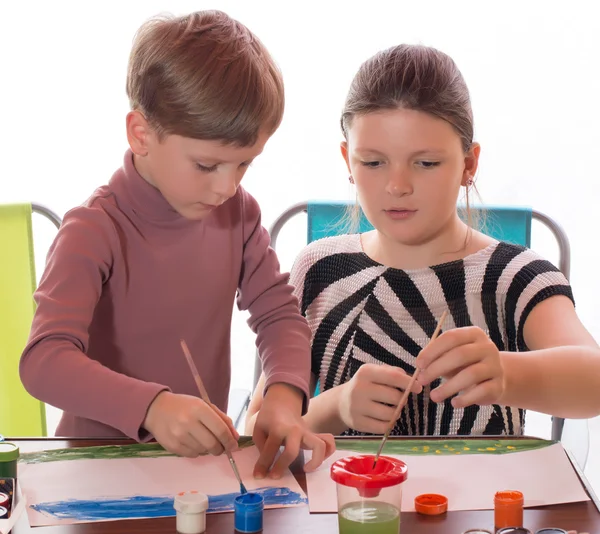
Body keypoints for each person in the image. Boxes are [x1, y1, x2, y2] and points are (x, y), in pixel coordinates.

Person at [20, 10, 333, 477]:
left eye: (244, 164)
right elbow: (44, 361)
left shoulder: (238, 213)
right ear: (142, 135)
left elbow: (280, 316)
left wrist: (283, 399)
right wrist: (152, 407)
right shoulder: (92, 229)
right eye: (207, 166)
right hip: (97, 472)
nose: (227, 187)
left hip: (199, 471)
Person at [247, 44, 600, 438]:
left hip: (482, 501)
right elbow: (258, 433)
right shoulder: (319, 268)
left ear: (469, 164)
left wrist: (505, 373)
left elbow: (594, 380)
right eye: (373, 162)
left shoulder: (514, 276)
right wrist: (336, 406)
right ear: (348, 160)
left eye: (426, 163)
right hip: (349, 501)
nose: (397, 186)